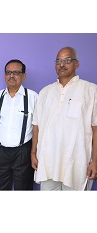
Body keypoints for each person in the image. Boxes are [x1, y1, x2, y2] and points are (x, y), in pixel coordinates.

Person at [31, 46, 97, 191]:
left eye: (67, 60)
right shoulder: (45, 92)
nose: (62, 64)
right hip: (47, 162)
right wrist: (33, 153)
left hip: (77, 163)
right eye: (58, 61)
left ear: (76, 64)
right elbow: (36, 125)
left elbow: (95, 128)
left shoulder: (90, 90)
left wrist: (95, 162)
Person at [0, 59, 38, 190]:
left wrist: (35, 152)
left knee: (24, 189)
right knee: (0, 189)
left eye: (16, 72)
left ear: (23, 76)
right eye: (8, 72)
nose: (11, 76)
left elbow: (38, 126)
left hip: (23, 152)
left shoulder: (33, 97)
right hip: (1, 152)